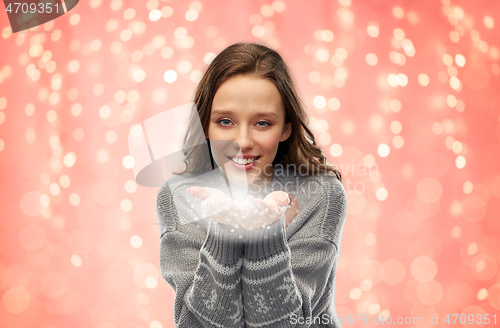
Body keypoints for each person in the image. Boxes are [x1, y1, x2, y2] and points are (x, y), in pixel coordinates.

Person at [156, 43, 347, 328]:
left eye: (262, 123)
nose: (243, 142)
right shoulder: (179, 197)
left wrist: (265, 235)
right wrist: (224, 233)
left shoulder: (320, 194)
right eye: (225, 121)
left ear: (286, 127)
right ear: (205, 125)